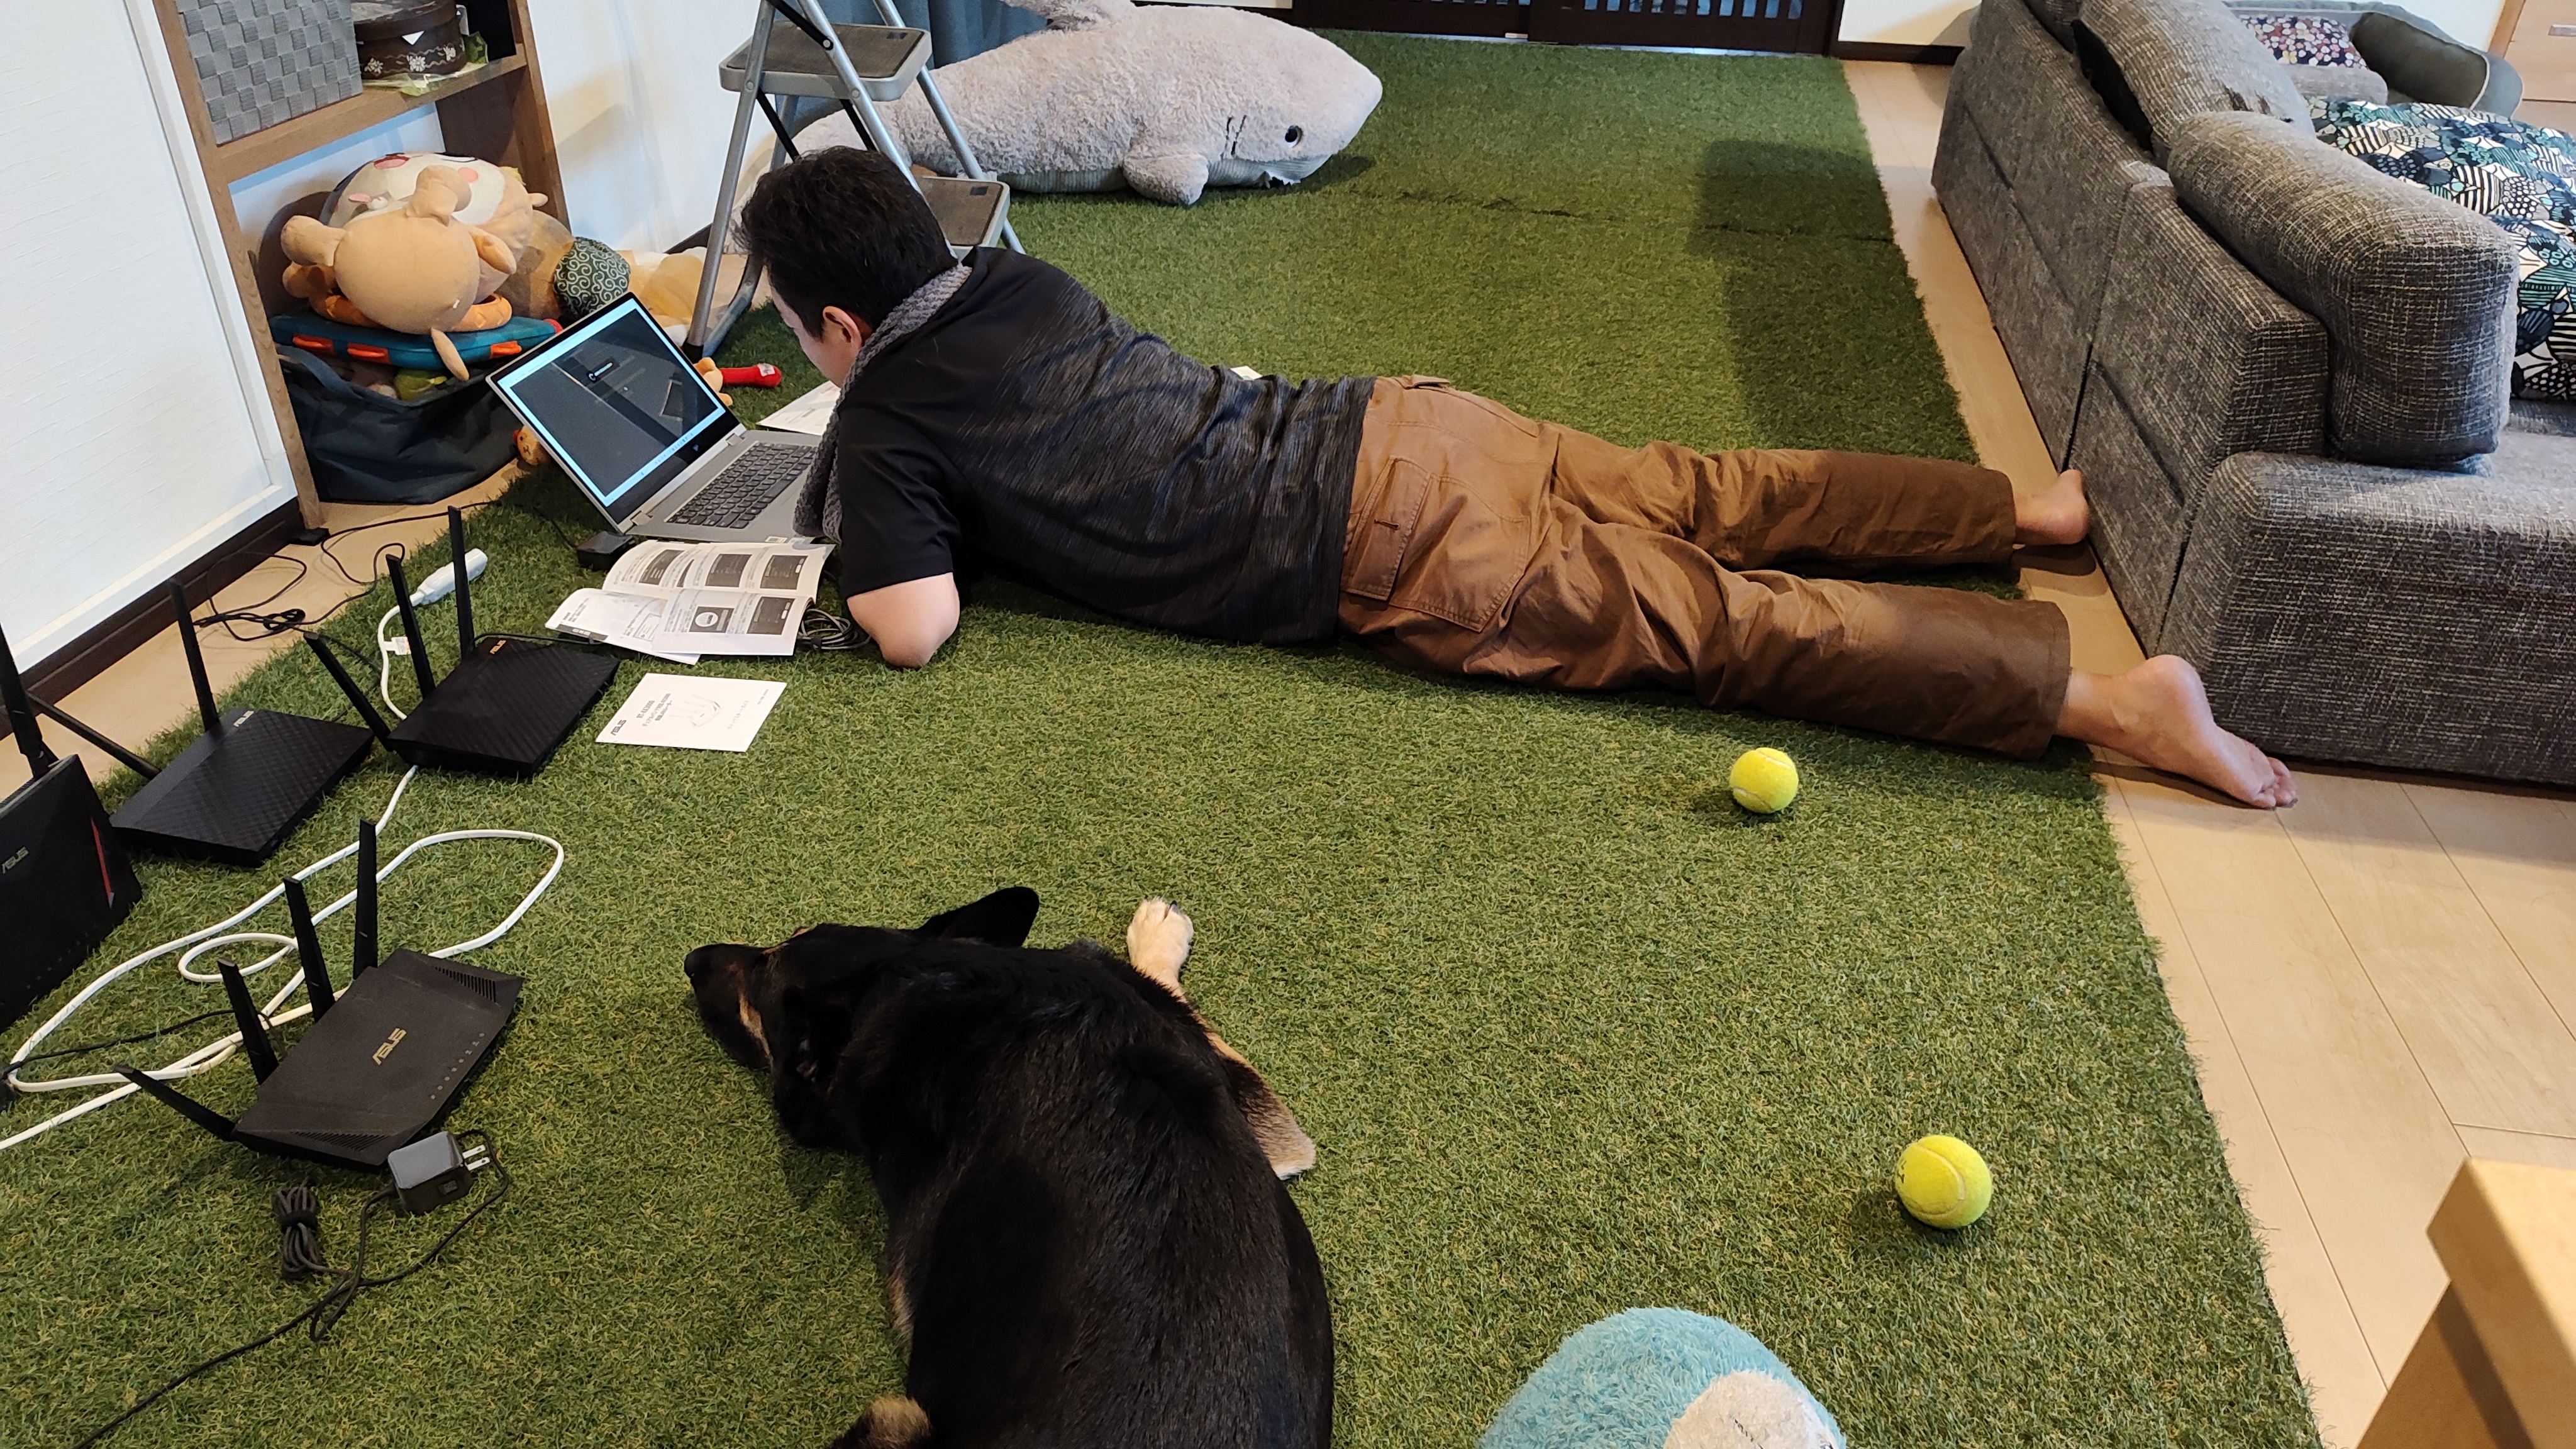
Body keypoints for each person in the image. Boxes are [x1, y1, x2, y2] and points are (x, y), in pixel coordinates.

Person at [735, 148, 2297, 809]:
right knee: (1715, 491)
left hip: (1388, 547)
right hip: (1406, 423)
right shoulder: (1020, 278)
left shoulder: (885, 420)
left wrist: (876, 493)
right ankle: (2015, 511)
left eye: (799, 334)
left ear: (840, 328)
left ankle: (2107, 705)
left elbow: (914, 628)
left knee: (1724, 624)